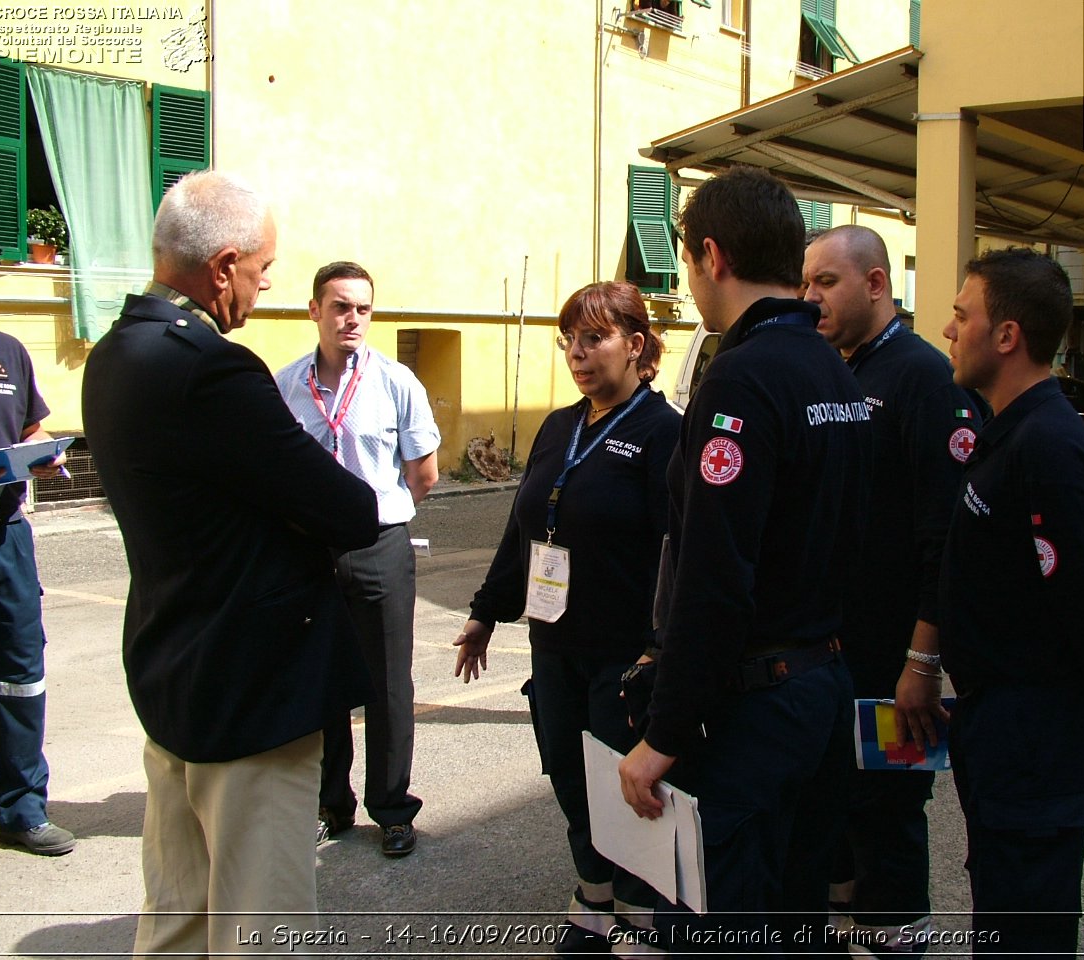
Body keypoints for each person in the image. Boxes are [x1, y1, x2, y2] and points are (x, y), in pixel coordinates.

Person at [82, 171, 379, 956]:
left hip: (174, 677)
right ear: (222, 266)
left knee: (175, 921)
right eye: (261, 267)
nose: (266, 282)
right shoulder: (209, 368)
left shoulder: (112, 353)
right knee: (261, 929)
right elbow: (347, 508)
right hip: (251, 696)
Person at [618, 167, 871, 948]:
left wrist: (664, 733)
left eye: (689, 264)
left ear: (711, 257)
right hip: (819, 688)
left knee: (721, 923)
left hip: (756, 708)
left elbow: (714, 576)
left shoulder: (743, 376)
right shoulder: (832, 366)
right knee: (796, 918)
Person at [939, 247, 1084, 958]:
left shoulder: (1047, 443)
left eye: (960, 314)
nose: (949, 330)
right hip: (998, 722)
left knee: (1025, 924)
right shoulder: (1010, 428)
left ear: (1006, 335)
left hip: (1032, 731)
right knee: (1003, 903)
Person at [453, 281, 678, 952]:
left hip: (624, 654)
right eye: (569, 341)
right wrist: (486, 613)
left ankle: (642, 915)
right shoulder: (559, 426)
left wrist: (659, 649)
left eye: (594, 339)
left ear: (636, 346)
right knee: (568, 777)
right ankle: (595, 895)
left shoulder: (664, 434)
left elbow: (680, 552)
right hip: (554, 647)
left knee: (626, 793)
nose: (577, 355)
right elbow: (524, 532)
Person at [802, 225, 982, 954]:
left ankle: (897, 941)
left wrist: (923, 661)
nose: (810, 297)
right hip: (834, 652)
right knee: (839, 811)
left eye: (827, 282)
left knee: (890, 814)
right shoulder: (834, 370)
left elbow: (946, 538)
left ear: (876, 284)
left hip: (893, 660)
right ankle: (851, 932)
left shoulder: (920, 378)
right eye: (805, 282)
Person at [276, 262, 440, 858]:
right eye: (341, 306)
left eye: (363, 309)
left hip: (379, 546)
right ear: (314, 310)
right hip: (309, 552)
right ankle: (331, 804)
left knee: (389, 683)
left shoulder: (397, 382)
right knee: (322, 681)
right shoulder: (285, 384)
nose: (353, 319)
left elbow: (422, 474)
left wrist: (373, 515)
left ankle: (393, 808)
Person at [0, 326, 74, 857]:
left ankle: (21, 811)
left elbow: (31, 428)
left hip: (5, 536)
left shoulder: (8, 351)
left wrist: (44, 452)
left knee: (19, 674)